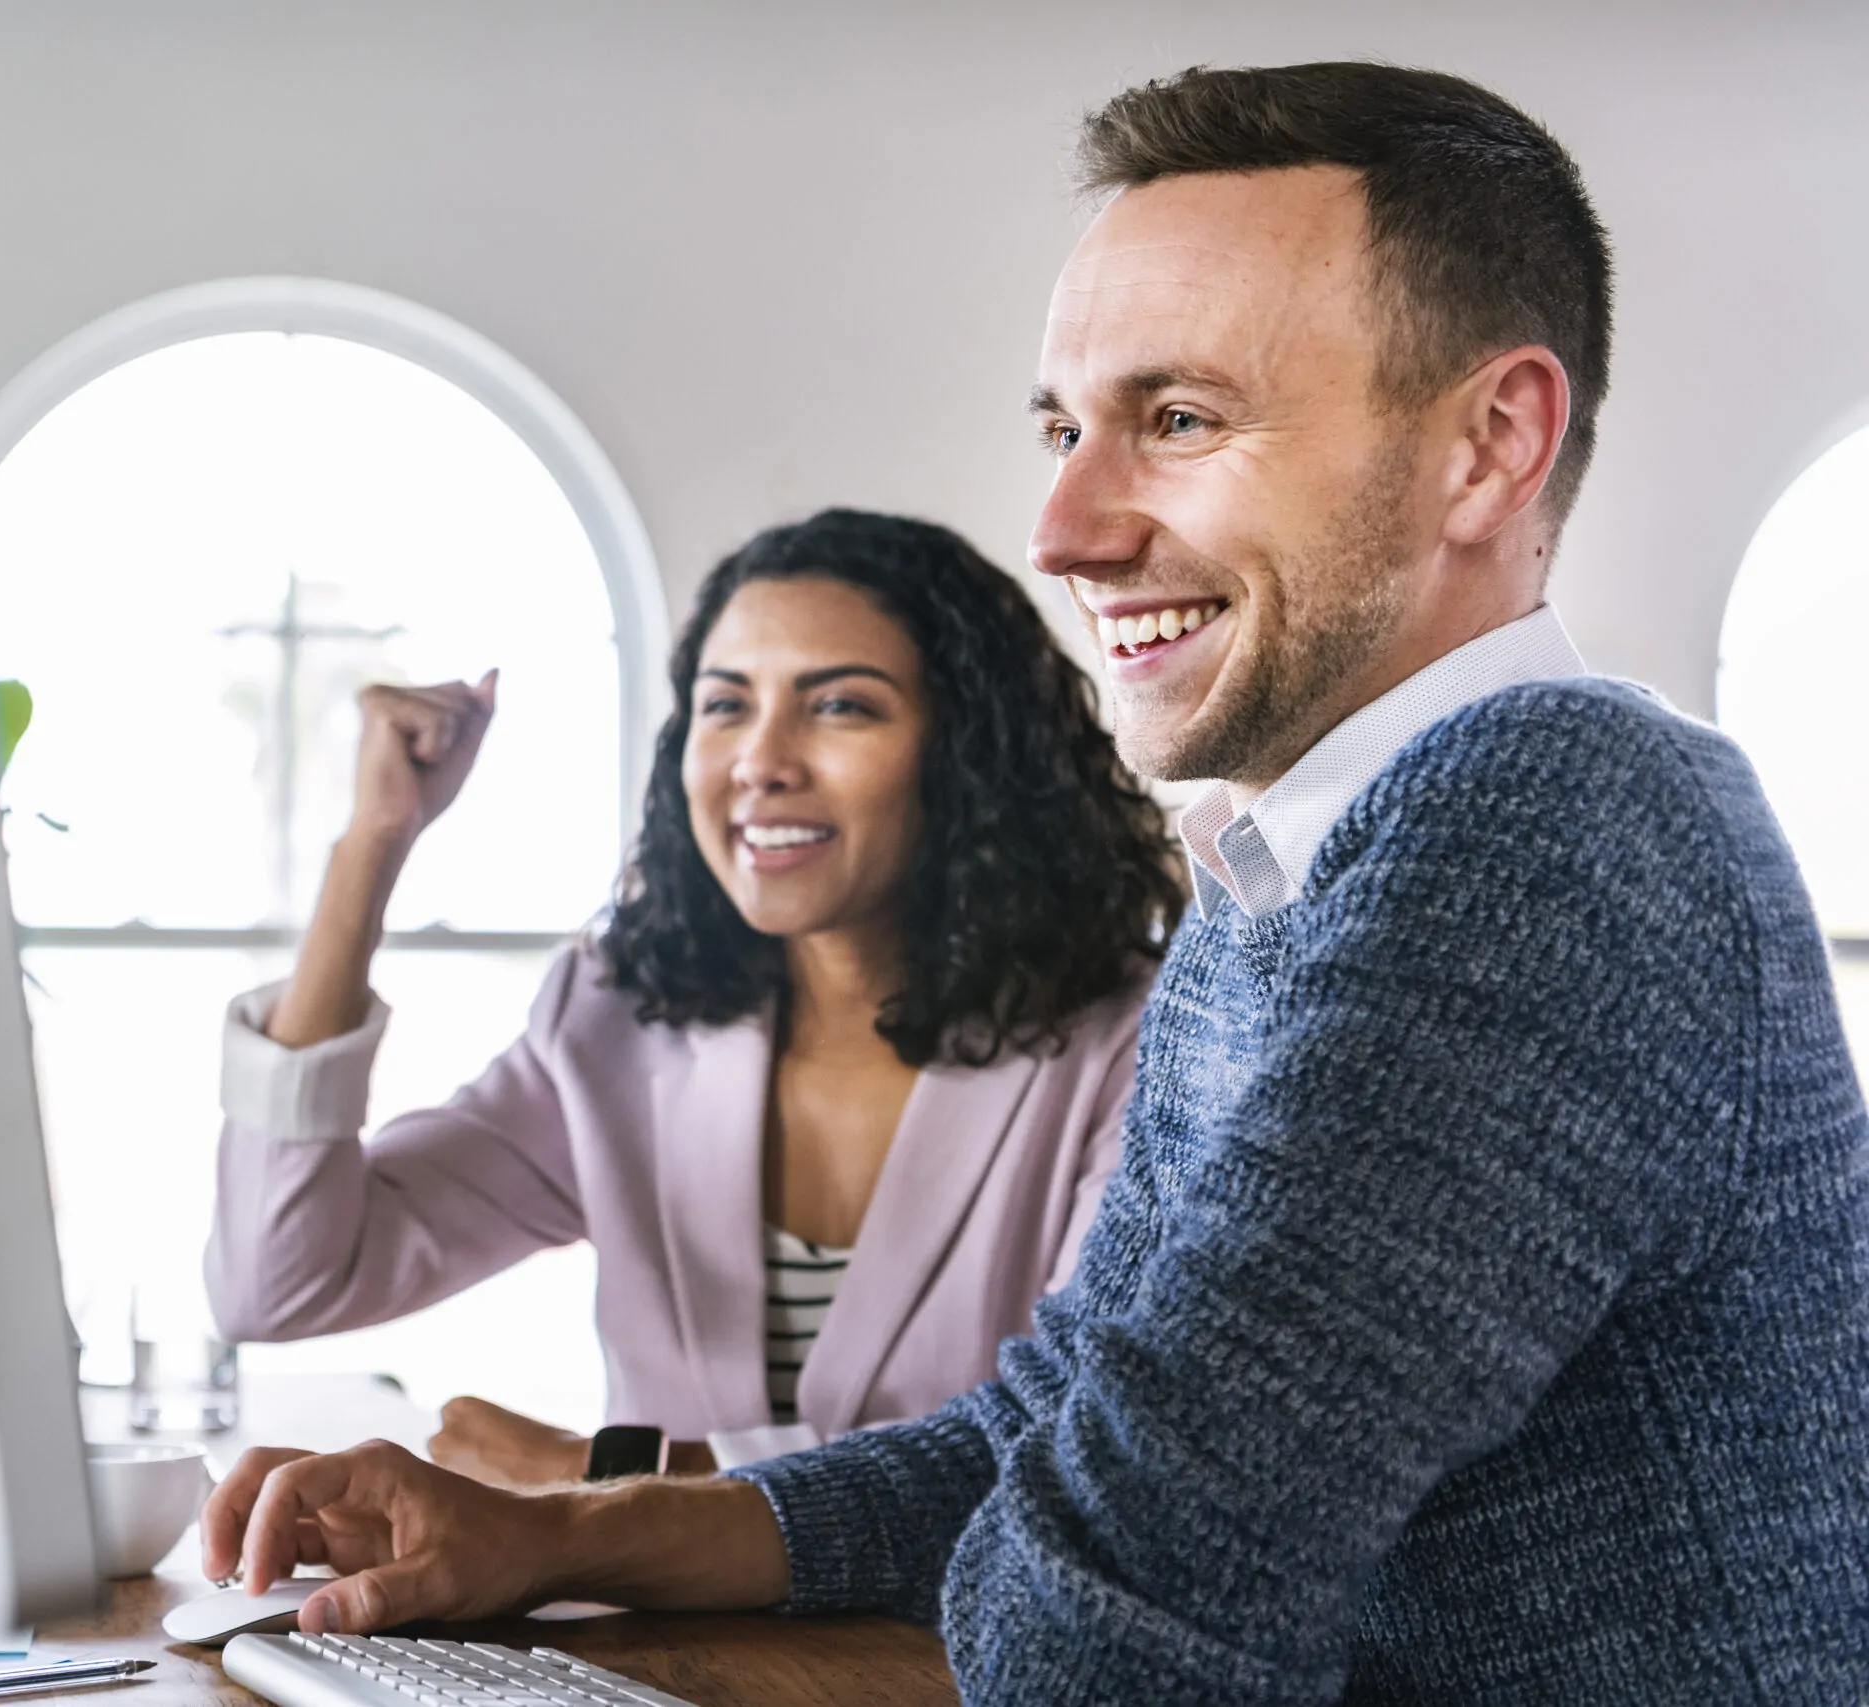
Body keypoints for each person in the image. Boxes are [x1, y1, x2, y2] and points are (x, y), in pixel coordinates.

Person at [201, 62, 1869, 1702]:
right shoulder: (1274, 868)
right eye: (1065, 428)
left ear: (1490, 445)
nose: (1064, 528)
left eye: (1180, 419)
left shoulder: (1549, 828)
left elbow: (1120, 1597)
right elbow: (1042, 1429)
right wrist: (569, 1529)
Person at [207, 509, 1183, 1483]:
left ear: (969, 754)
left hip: (946, 1642)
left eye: (839, 706)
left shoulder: (1130, 1046)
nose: (761, 762)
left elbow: (1081, 1448)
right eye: (725, 707)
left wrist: (610, 1478)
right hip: (642, 1647)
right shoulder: (612, 1024)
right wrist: (370, 847)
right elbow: (279, 1282)